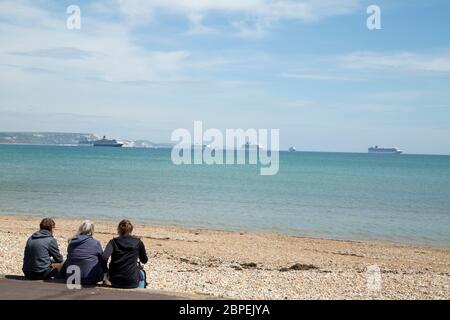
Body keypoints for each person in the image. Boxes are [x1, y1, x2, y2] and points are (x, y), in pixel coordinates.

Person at [102, 219, 148, 288]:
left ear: (118, 230)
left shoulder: (113, 242)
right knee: (142, 273)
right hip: (132, 281)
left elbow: (104, 257)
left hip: (115, 280)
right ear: (131, 230)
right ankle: (139, 292)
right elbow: (144, 260)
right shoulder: (138, 242)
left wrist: (106, 270)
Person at [60, 220, 104, 285]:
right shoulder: (95, 243)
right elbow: (102, 259)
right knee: (99, 261)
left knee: (68, 259)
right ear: (92, 230)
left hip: (72, 278)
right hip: (89, 278)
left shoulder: (72, 242)